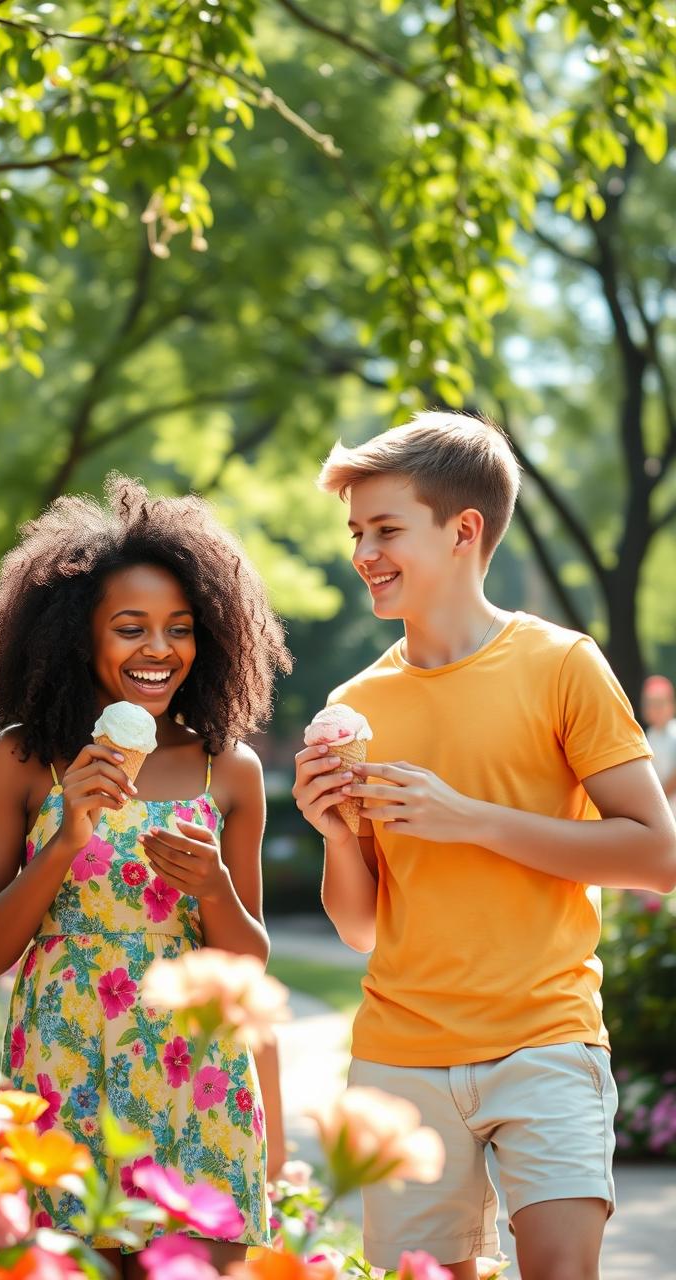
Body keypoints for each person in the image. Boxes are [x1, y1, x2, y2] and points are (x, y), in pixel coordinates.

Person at [292, 412, 676, 1280]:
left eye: (387, 529)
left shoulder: (563, 666)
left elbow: (658, 855)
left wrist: (470, 819)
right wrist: (332, 834)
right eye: (357, 532)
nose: (365, 552)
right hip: (402, 1057)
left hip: (547, 1039)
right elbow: (359, 928)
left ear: (465, 530)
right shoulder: (354, 706)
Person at [0, 475, 292, 1276]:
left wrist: (214, 891)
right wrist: (65, 842)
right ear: (78, 636)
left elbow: (250, 968)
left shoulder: (227, 771)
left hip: (199, 1079)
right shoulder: (22, 759)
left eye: (180, 628)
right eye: (130, 628)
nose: (159, 650)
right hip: (67, 1068)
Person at [641, 674, 676, 812]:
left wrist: (659, 798)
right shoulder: (648, 735)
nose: (656, 709)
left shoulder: (674, 733)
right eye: (651, 704)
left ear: (671, 705)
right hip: (662, 806)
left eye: (660, 703)